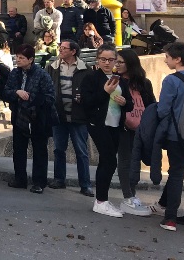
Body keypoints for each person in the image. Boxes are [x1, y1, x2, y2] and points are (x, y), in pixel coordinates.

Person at [81, 43, 134, 217]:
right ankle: (101, 201)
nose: (107, 63)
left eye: (111, 60)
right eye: (103, 59)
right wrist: (105, 92)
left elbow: (130, 104)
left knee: (108, 160)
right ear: (97, 59)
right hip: (98, 124)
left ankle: (102, 200)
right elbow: (86, 103)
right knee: (110, 161)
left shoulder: (120, 80)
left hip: (115, 124)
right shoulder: (91, 77)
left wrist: (124, 103)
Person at [2, 43, 56, 193]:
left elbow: (50, 97)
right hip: (19, 115)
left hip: (38, 118)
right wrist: (16, 93)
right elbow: (5, 92)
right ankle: (20, 179)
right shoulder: (15, 73)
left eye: (21, 58)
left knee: (39, 150)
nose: (18, 60)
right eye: (17, 57)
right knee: (18, 149)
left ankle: (39, 182)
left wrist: (31, 99)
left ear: (31, 59)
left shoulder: (42, 74)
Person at [46, 40, 93, 196]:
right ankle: (59, 179)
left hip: (78, 117)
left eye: (64, 48)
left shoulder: (84, 68)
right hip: (58, 115)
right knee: (59, 149)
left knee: (81, 151)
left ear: (73, 51)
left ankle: (85, 184)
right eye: (60, 47)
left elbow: (90, 92)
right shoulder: (52, 67)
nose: (60, 50)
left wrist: (83, 99)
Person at [113, 48, 156, 216]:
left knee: (135, 160)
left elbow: (151, 104)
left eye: (120, 62)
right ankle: (128, 196)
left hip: (141, 127)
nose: (117, 64)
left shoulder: (144, 83)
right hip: (122, 126)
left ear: (130, 64)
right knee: (124, 159)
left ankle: (133, 193)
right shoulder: (116, 80)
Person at [152, 42, 184, 231]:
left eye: (167, 57)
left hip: (177, 135)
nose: (165, 60)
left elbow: (163, 109)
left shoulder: (171, 80)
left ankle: (171, 219)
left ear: (177, 59)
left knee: (176, 174)